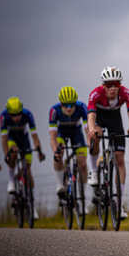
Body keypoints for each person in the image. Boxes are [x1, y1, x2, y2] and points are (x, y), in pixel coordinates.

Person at [87, 67, 129, 220]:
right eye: (109, 85)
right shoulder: (95, 94)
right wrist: (91, 130)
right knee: (97, 135)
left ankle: (119, 203)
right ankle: (94, 171)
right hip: (99, 119)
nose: (113, 88)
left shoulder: (126, 93)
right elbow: (91, 115)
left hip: (115, 121)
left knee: (120, 158)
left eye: (116, 84)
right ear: (103, 86)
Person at [0, 97, 45, 220]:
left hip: (24, 141)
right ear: (9, 113)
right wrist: (6, 154)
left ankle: (31, 205)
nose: (17, 117)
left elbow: (34, 136)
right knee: (13, 152)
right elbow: (4, 139)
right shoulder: (3, 117)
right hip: (11, 140)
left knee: (28, 170)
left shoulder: (28, 115)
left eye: (19, 113)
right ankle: (11, 181)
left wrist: (39, 151)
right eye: (14, 115)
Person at [49, 86, 89, 215]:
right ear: (61, 104)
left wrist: (90, 144)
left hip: (76, 134)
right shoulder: (54, 111)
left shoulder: (82, 107)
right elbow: (53, 137)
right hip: (61, 134)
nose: (69, 108)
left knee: (83, 164)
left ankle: (81, 197)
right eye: (65, 105)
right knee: (59, 153)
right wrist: (56, 151)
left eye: (72, 104)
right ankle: (60, 185)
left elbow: (87, 131)